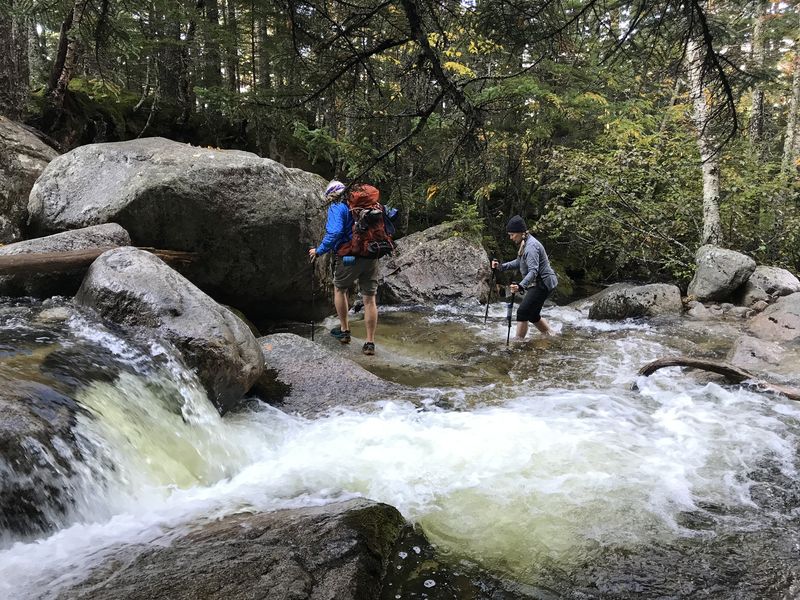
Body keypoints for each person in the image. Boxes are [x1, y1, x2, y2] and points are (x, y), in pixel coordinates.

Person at [308, 181, 380, 356]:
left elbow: (335, 232)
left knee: (340, 288)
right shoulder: (368, 204)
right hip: (371, 254)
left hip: (349, 257)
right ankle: (369, 343)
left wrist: (319, 251)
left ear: (331, 195)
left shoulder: (337, 207)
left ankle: (345, 331)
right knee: (369, 299)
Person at [491, 215, 557, 340]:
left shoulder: (531, 247)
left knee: (522, 312)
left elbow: (533, 271)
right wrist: (500, 267)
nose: (511, 238)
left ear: (521, 232)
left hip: (543, 284)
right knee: (532, 315)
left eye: (512, 234)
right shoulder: (525, 242)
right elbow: (519, 262)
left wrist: (521, 286)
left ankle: (518, 343)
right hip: (540, 283)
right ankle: (551, 335)